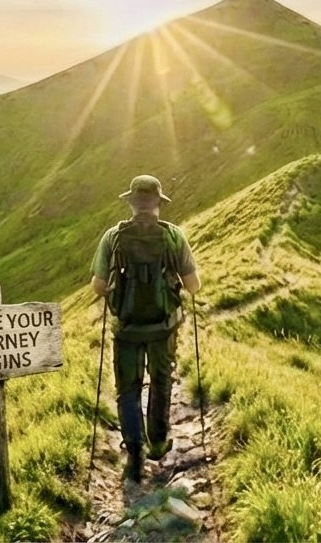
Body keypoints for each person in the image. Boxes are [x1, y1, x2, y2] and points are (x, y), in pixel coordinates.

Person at [90, 174, 201, 484]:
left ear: (131, 203)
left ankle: (135, 453)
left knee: (128, 388)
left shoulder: (113, 237)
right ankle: (159, 442)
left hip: (126, 328)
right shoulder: (174, 235)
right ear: (158, 204)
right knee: (161, 380)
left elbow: (98, 286)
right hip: (164, 327)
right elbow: (193, 285)